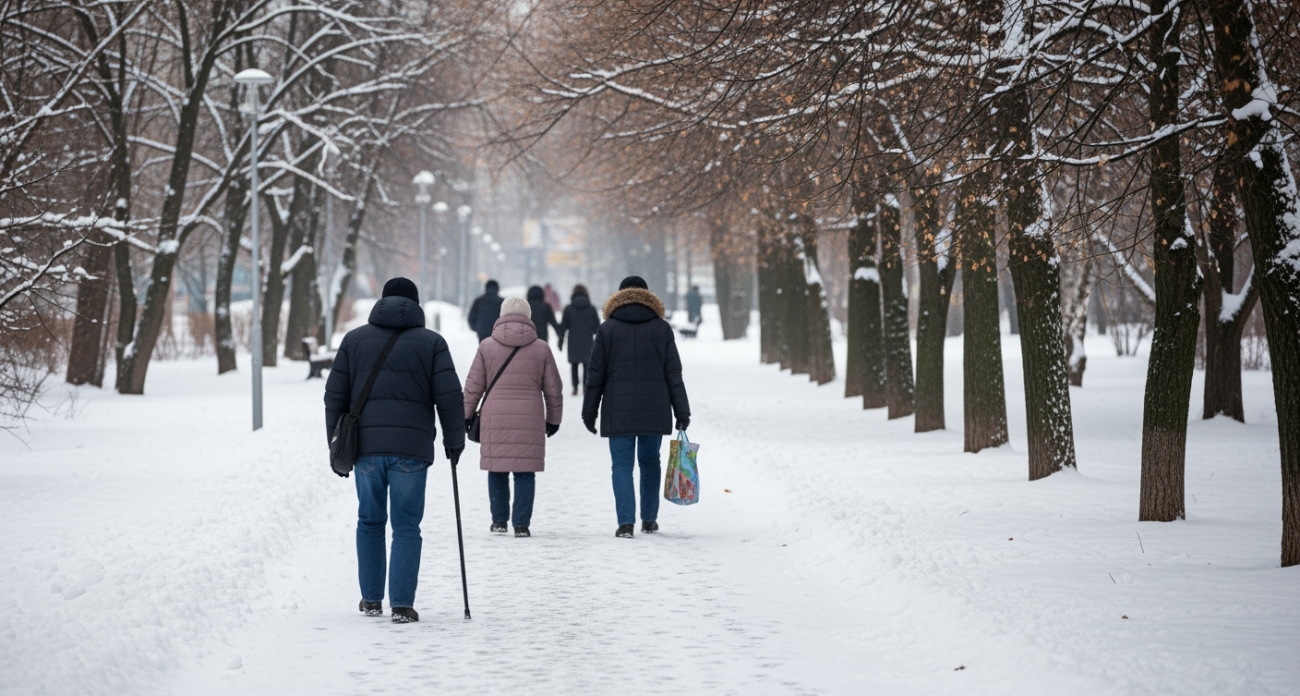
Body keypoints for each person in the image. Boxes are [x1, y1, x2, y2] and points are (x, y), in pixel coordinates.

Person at [324, 278, 465, 624]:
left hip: (366, 449)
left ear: (382, 301)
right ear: (415, 304)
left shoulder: (354, 340)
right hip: (411, 450)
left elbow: (333, 396)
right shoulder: (432, 343)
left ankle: (371, 600)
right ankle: (401, 604)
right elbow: (449, 397)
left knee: (370, 521)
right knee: (406, 526)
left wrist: (336, 443)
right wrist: (454, 440)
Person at [582, 276, 690, 538]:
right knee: (650, 463)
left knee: (621, 465)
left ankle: (626, 523)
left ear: (619, 297)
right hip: (655, 404)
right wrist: (682, 411)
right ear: (647, 295)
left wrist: (589, 410)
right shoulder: (661, 329)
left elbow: (595, 374)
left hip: (618, 407)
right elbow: (673, 373)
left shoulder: (607, 330)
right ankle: (650, 520)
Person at [463, 296, 563, 538]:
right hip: (530, 418)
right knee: (524, 471)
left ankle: (498, 521)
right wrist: (554, 420)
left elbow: (474, 385)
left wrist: (465, 415)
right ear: (528, 317)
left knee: (497, 469)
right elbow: (553, 389)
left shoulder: (487, 346)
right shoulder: (541, 348)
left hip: (494, 417)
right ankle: (521, 524)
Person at [556, 284, 600, 396]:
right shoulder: (591, 308)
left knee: (574, 365)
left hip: (573, 341)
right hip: (587, 341)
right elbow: (597, 328)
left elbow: (563, 327)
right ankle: (585, 387)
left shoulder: (569, 309)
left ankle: (575, 387)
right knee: (587, 365)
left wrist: (560, 341)